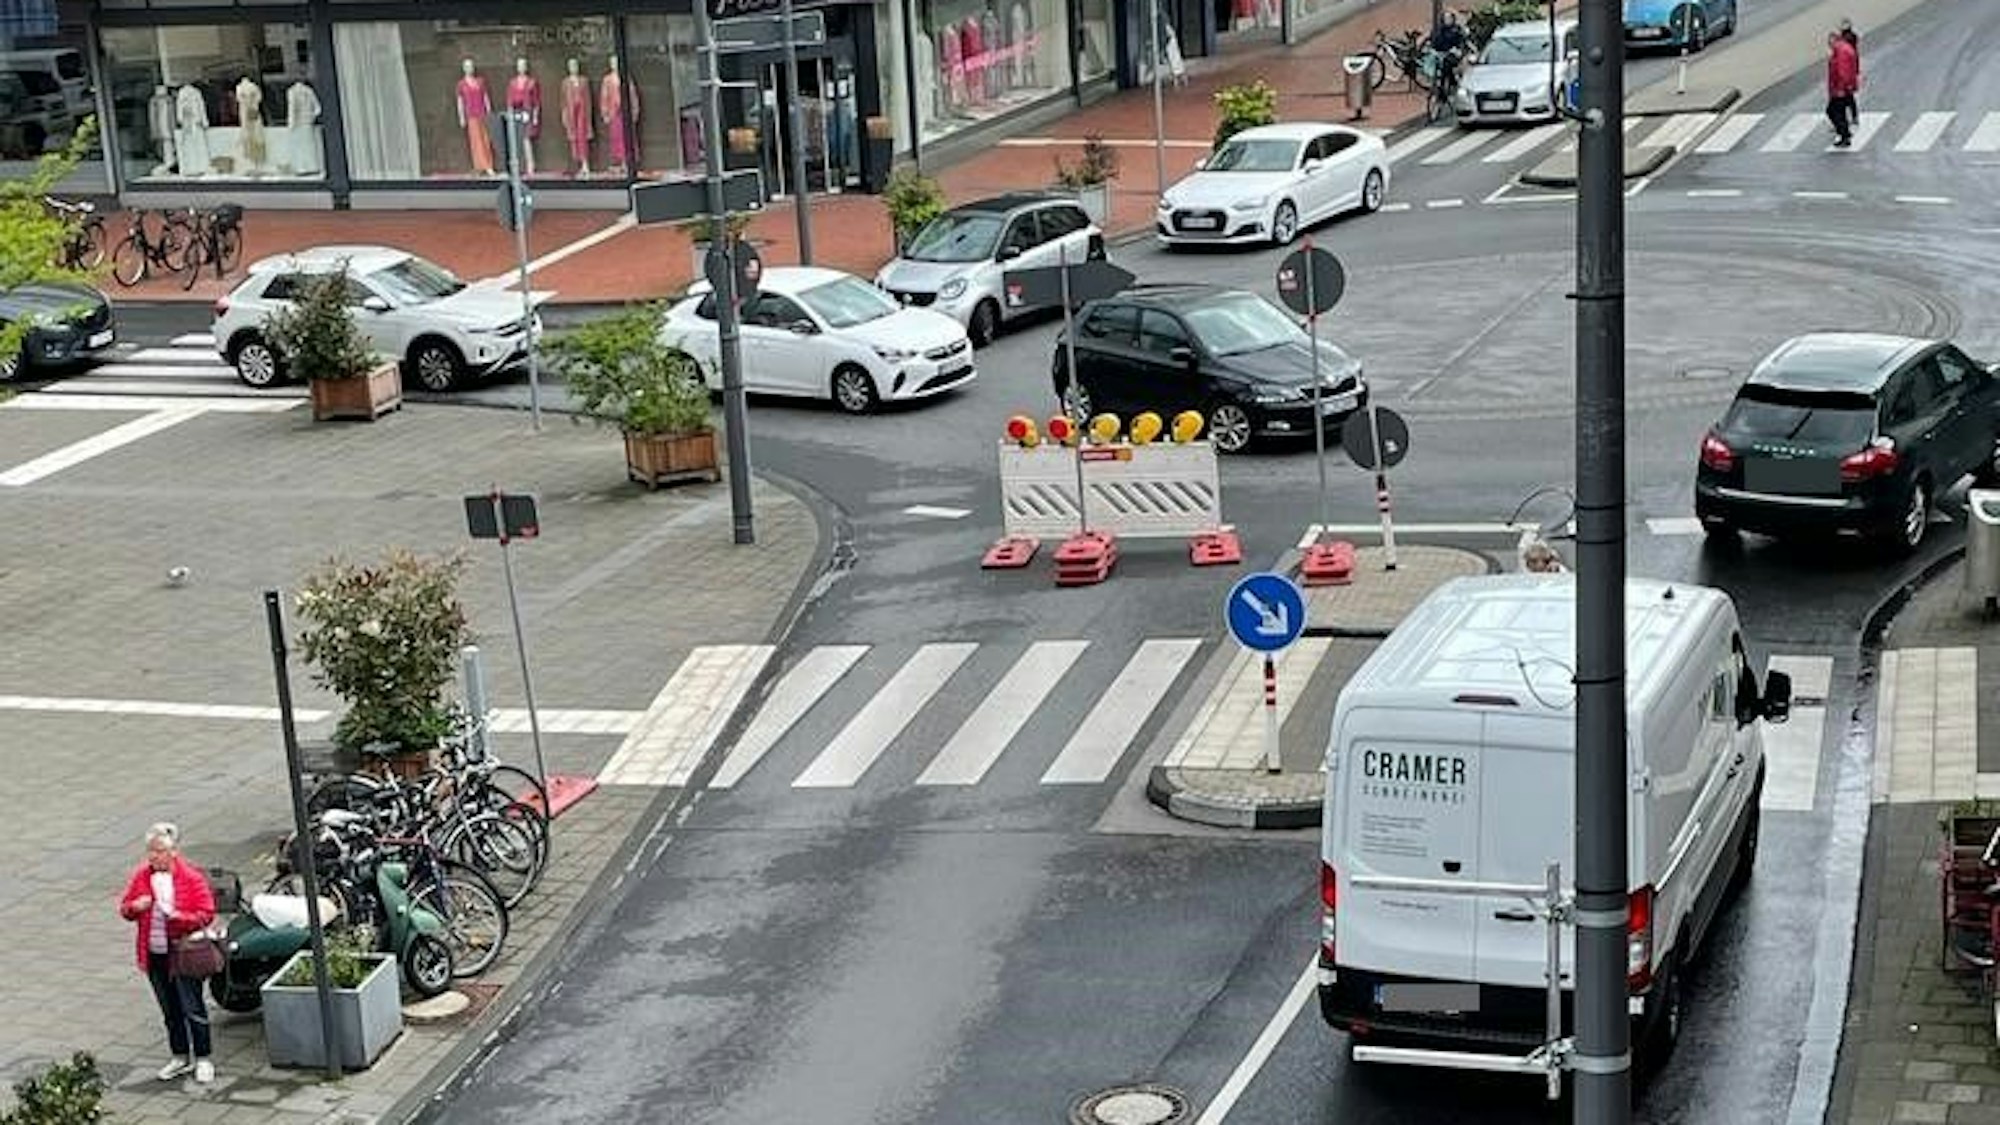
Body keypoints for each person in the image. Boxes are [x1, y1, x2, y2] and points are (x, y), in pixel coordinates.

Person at [118, 823, 217, 1084]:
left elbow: (206, 913)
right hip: (155, 955)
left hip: (183, 954)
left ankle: (203, 1058)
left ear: (173, 851)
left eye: (159, 850)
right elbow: (125, 909)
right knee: (170, 1010)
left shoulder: (191, 877)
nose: (153, 856)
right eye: (150, 850)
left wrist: (178, 917)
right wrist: (135, 907)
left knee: (192, 1007)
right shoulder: (142, 876)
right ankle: (180, 1056)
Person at [1825, 31, 1859, 147]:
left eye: (1829, 42)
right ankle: (1845, 133)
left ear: (1834, 40)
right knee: (1839, 112)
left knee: (1833, 112)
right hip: (1844, 88)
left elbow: (1842, 72)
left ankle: (1845, 136)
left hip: (1840, 89)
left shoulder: (1840, 51)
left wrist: (1840, 89)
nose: (1828, 45)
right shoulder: (1844, 48)